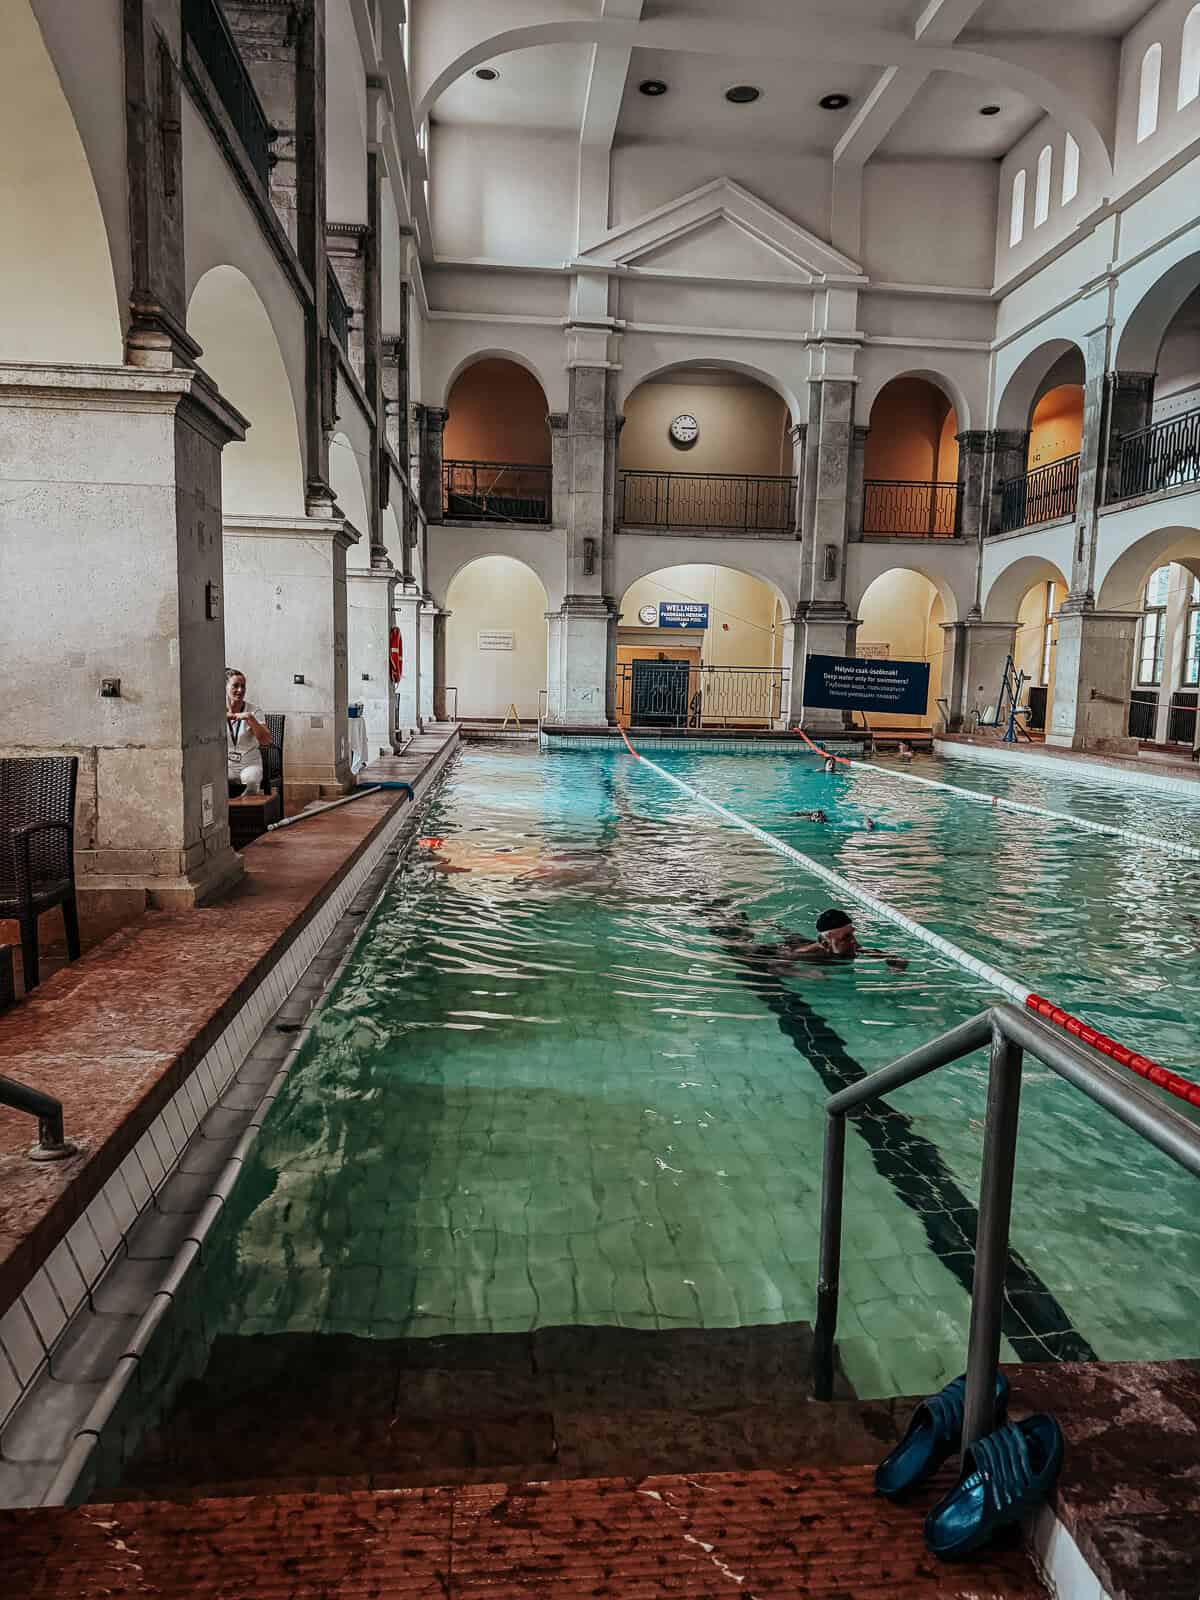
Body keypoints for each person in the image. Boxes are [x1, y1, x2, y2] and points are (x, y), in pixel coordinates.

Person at [724, 906, 907, 974]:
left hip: (808, 944)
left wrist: (894, 961)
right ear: (827, 943)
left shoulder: (850, 946)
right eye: (846, 937)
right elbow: (775, 966)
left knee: (794, 937)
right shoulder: (807, 955)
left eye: (852, 933)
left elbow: (879, 954)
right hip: (778, 951)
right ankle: (739, 925)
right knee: (744, 947)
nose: (854, 941)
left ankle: (776, 926)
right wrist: (803, 974)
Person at [225, 668, 272, 796]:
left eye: (243, 686)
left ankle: (248, 812)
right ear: (225, 687)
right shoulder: (217, 710)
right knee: (217, 780)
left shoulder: (254, 711)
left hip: (249, 764)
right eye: (235, 686)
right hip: (226, 765)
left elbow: (266, 741)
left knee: (250, 780)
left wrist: (250, 718)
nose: (240, 690)